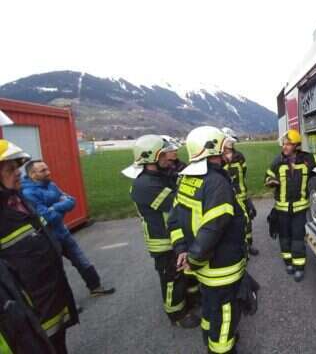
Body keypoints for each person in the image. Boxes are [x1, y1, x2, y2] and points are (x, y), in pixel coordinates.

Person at [168, 126, 246, 354]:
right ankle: (221, 347)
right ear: (211, 150)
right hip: (221, 265)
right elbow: (214, 226)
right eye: (224, 150)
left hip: (200, 263)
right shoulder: (216, 182)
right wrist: (193, 256)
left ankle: (210, 337)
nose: (228, 155)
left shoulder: (185, 178)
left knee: (210, 306)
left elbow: (175, 220)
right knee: (226, 311)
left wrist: (183, 250)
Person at [0, 139, 78, 353]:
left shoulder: (20, 200)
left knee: (58, 342)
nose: (18, 173)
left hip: (51, 293)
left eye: (17, 167)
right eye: (10, 169)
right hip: (33, 307)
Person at [125, 134, 200, 328]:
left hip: (173, 237)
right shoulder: (146, 185)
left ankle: (191, 301)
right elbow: (177, 202)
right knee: (171, 278)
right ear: (152, 158)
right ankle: (176, 315)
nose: (169, 158)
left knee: (183, 274)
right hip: (163, 242)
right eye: (164, 155)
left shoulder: (158, 176)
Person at [21, 160, 115, 297]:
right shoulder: (28, 193)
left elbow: (71, 201)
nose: (48, 172)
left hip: (63, 232)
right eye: (43, 171)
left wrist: (55, 207)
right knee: (58, 271)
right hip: (49, 238)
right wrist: (60, 206)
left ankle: (96, 287)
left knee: (82, 260)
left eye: (47, 169)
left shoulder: (51, 185)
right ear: (32, 174)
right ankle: (68, 304)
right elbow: (47, 218)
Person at [264, 129, 316, 282]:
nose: (284, 147)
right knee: (285, 237)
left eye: (288, 144)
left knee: (298, 238)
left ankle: (299, 267)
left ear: (296, 146)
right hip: (281, 209)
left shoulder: (306, 160)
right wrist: (270, 181)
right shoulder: (277, 162)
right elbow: (268, 176)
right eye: (284, 144)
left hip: (300, 210)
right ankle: (288, 262)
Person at [221, 127, 258, 256]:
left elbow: (244, 174)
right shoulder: (218, 159)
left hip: (242, 195)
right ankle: (236, 248)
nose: (231, 144)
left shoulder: (239, 156)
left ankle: (249, 246)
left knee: (247, 222)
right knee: (231, 224)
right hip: (227, 198)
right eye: (229, 141)